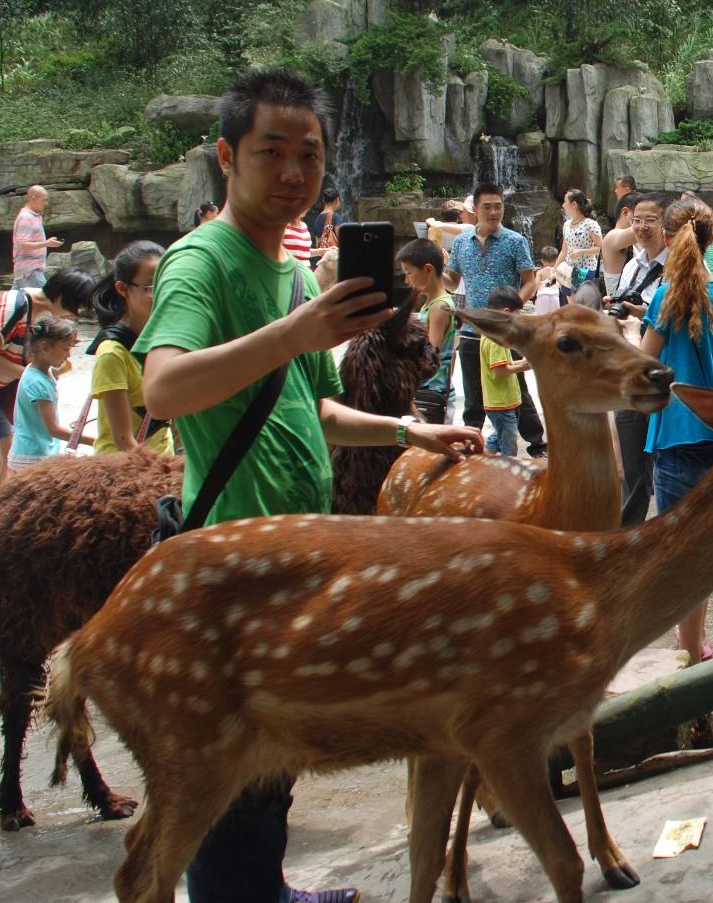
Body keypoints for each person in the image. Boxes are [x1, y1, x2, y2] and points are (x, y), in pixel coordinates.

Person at [134, 67, 482, 903]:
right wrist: (298, 329)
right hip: (234, 565)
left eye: (309, 155)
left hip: (291, 557)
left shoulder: (287, 269)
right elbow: (165, 389)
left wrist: (408, 429)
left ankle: (269, 892)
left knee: (272, 763)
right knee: (231, 768)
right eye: (271, 153)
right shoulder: (201, 263)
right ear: (226, 156)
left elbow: (299, 406)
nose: (293, 172)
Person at [638, 196, 713, 662]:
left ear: (668, 238)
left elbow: (643, 363)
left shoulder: (665, 297)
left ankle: (689, 643)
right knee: (704, 550)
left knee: (677, 549)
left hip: (675, 437)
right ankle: (694, 640)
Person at [0, 269, 96, 520]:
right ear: (62, 296)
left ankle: (2, 524)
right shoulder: (13, 306)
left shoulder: (42, 314)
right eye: (76, 307)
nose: (74, 314)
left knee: (5, 459)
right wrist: (32, 375)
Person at [444, 183, 545, 456]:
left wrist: (514, 309)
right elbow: (452, 281)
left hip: (506, 331)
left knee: (517, 389)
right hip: (472, 329)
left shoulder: (515, 241)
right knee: (473, 391)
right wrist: (433, 270)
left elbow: (529, 280)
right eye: (487, 206)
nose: (493, 211)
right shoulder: (461, 243)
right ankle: (471, 440)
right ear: (474, 209)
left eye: (498, 206)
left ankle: (537, 443)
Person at [612, 192, 671, 525]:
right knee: (631, 464)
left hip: (664, 374)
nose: (642, 226)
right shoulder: (632, 265)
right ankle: (630, 535)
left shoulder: (679, 266)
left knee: (668, 464)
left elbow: (677, 318)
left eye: (650, 219)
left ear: (666, 224)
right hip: (632, 369)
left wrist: (645, 314)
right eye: (636, 219)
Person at [88, 240, 172, 455]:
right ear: (122, 288)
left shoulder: (164, 340)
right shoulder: (112, 353)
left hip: (161, 464)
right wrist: (166, 473)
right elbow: (123, 441)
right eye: (151, 287)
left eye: (168, 283)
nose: (163, 294)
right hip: (126, 473)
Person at [8, 317, 90, 469]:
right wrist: (95, 440)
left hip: (32, 452)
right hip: (32, 457)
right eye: (65, 349)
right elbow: (53, 429)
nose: (68, 356)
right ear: (45, 347)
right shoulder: (37, 383)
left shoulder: (38, 370)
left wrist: (61, 368)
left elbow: (56, 371)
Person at [398, 237, 457, 422]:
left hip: (430, 394)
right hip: (433, 390)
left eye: (409, 273)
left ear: (428, 269)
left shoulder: (439, 307)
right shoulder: (432, 303)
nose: (407, 280)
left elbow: (430, 355)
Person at [479, 285, 531, 456]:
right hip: (500, 404)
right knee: (509, 445)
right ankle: (506, 475)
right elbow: (500, 370)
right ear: (507, 311)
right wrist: (524, 365)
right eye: (518, 313)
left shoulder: (494, 333)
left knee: (499, 435)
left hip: (501, 402)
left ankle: (483, 461)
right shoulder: (495, 339)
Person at [11, 184, 63, 290]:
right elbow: (22, 244)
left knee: (18, 303)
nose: (46, 204)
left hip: (27, 270)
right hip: (30, 270)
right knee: (47, 300)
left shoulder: (34, 216)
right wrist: (46, 243)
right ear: (33, 198)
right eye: (44, 200)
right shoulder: (26, 217)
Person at [559, 188, 604, 302]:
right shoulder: (566, 225)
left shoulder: (590, 225)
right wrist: (554, 269)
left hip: (585, 269)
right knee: (571, 303)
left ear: (574, 204)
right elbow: (564, 251)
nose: (563, 205)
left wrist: (581, 252)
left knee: (581, 305)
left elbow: (601, 248)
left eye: (565, 202)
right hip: (569, 269)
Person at [600, 193, 640, 296]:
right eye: (639, 215)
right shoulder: (612, 236)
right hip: (617, 306)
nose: (642, 221)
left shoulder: (632, 241)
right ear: (625, 212)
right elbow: (644, 228)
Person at [307, 181, 342, 252]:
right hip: (333, 256)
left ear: (323, 200)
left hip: (323, 258)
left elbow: (318, 244)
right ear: (337, 200)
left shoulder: (317, 218)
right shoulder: (335, 217)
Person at [533, 246, 563, 316]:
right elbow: (562, 285)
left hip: (542, 297)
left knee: (540, 318)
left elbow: (535, 285)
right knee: (554, 318)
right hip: (555, 297)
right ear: (556, 260)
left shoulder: (540, 272)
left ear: (542, 261)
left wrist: (532, 294)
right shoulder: (558, 271)